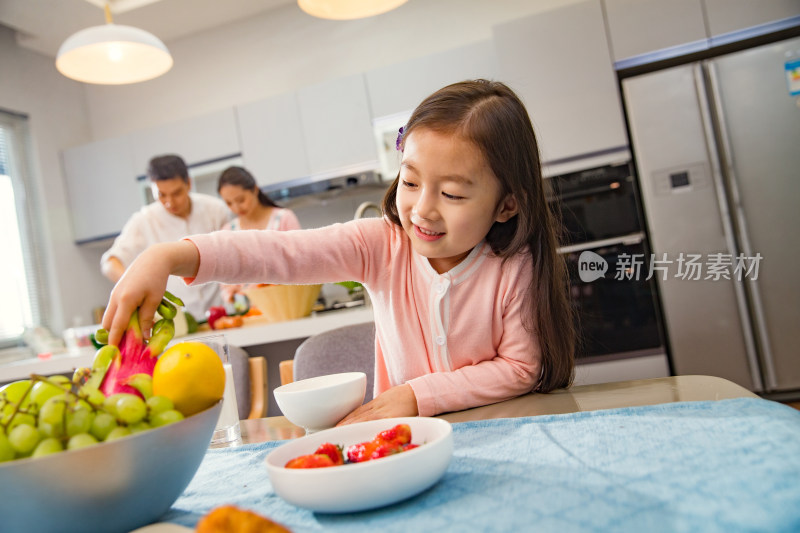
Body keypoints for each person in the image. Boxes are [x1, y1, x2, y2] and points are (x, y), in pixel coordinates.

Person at [102, 80, 576, 422]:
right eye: (410, 182)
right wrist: (167, 256)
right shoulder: (381, 244)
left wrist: (414, 395)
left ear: (507, 204)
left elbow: (521, 367)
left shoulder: (513, 265)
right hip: (401, 446)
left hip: (505, 435)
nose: (422, 211)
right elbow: (278, 253)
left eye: (452, 194)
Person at [100, 154, 230, 319]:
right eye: (161, 195)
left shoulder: (215, 210)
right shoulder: (144, 220)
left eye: (176, 193)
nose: (170, 202)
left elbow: (229, 254)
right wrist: (135, 284)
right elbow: (109, 263)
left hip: (221, 313)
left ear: (188, 184)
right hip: (177, 321)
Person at [216, 166, 301, 303]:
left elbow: (300, 262)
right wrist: (231, 293)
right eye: (229, 203)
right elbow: (225, 282)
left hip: (287, 303)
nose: (236, 208)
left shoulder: (284, 218)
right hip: (252, 311)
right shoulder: (227, 232)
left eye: (241, 200)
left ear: (254, 190)